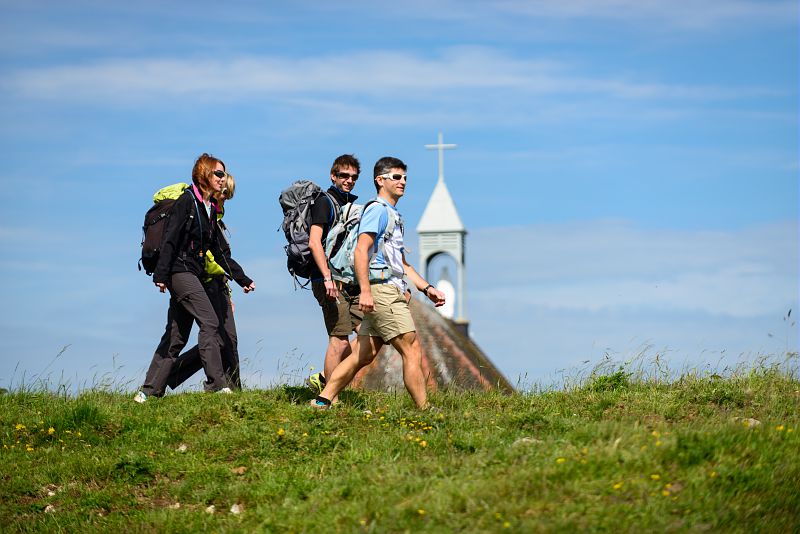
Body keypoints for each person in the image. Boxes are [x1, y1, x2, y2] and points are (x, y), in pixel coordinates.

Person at [311, 156, 445, 410]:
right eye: (396, 177)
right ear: (380, 180)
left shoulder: (393, 214)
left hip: (388, 287)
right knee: (411, 346)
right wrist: (366, 292)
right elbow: (361, 251)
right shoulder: (378, 210)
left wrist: (427, 289)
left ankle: (321, 401)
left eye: (405, 177)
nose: (403, 182)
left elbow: (403, 264)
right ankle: (425, 410)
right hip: (382, 290)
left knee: (364, 353)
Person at [135, 154, 255, 403]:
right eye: (218, 174)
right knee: (210, 323)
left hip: (192, 273)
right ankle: (216, 385)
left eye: (224, 174)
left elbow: (219, 252)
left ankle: (148, 391)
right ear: (204, 175)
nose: (223, 179)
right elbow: (170, 239)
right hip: (180, 272)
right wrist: (161, 275)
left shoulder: (208, 209)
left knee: (176, 336)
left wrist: (242, 279)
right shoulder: (187, 202)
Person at [165, 172, 242, 391]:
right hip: (203, 282)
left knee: (227, 339)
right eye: (224, 192)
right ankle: (173, 373)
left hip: (217, 284)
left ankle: (233, 389)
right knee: (217, 337)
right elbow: (210, 257)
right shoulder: (202, 216)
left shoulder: (215, 217)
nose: (225, 198)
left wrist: (227, 290)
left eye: (229, 194)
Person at [305, 154, 363, 399]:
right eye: (343, 175)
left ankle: (323, 380)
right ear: (333, 175)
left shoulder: (349, 205)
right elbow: (314, 242)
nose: (348, 180)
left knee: (372, 333)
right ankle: (330, 399)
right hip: (327, 280)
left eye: (353, 177)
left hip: (350, 280)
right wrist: (327, 277)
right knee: (339, 340)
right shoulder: (324, 202)